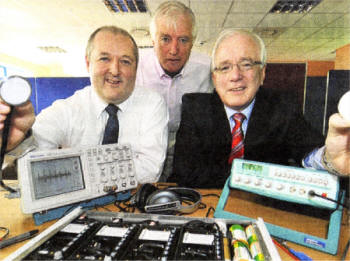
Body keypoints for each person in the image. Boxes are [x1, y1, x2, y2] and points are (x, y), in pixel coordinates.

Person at [172, 29, 350, 188]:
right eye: (225, 67)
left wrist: (330, 160)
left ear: (262, 73)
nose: (235, 76)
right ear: (215, 77)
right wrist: (263, 177)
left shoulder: (283, 106)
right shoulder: (195, 107)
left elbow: (308, 151)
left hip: (264, 209)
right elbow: (185, 173)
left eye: (247, 64)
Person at [0, 26, 169, 184]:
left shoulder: (152, 104)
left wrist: (71, 169)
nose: (115, 70)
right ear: (88, 64)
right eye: (104, 58)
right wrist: (18, 143)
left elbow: (150, 171)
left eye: (125, 61)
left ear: (136, 68)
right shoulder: (66, 109)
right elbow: (35, 165)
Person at [136, 1, 212, 181]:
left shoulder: (208, 68)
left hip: (187, 148)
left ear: (192, 42)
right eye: (165, 39)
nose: (174, 50)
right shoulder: (134, 67)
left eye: (183, 40)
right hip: (144, 145)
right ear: (153, 40)